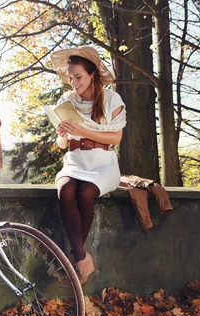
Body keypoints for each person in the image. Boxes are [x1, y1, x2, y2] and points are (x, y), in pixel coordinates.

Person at [49, 46, 127, 284]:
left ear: (92, 73)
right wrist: (62, 133)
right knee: (65, 189)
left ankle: (72, 260)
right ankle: (82, 258)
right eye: (70, 78)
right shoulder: (66, 101)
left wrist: (83, 130)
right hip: (74, 161)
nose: (74, 82)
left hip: (102, 164)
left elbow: (115, 138)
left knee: (85, 193)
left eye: (78, 77)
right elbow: (62, 144)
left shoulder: (112, 99)